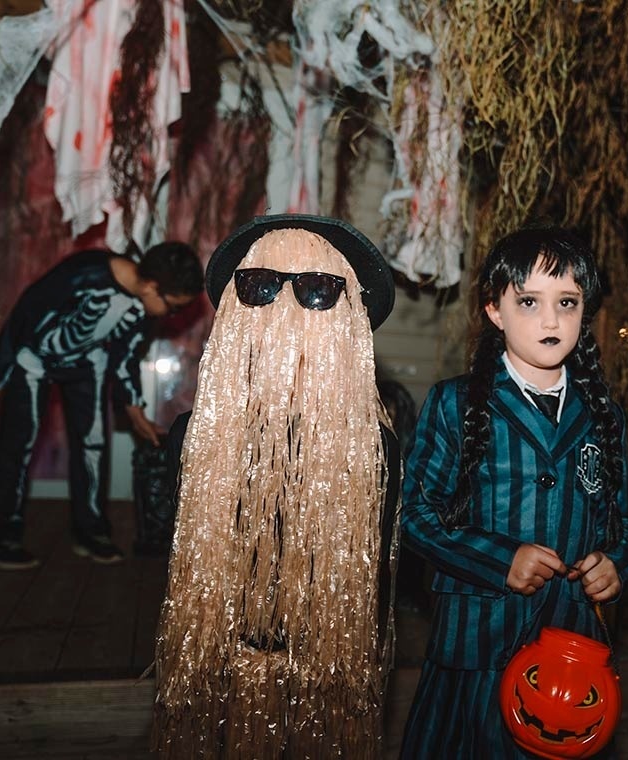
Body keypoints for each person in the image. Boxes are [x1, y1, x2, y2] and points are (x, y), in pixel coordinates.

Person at [153, 215, 400, 759]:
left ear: (348, 318)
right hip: (224, 677)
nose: (286, 306)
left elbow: (371, 594)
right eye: (259, 285)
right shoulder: (193, 439)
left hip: (323, 684)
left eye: (318, 289)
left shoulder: (374, 450)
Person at [398, 226, 628, 758]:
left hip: (570, 652)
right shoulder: (455, 403)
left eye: (567, 302)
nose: (551, 320)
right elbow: (412, 513)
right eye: (529, 301)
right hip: (477, 648)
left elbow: (626, 526)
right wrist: (499, 559)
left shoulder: (604, 417)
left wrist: (615, 566)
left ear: (584, 311)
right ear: (495, 309)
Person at [0, 241, 204, 570]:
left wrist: (135, 410)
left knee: (93, 445)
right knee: (17, 445)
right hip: (34, 358)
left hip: (87, 362)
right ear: (152, 287)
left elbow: (125, 357)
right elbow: (28, 310)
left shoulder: (141, 306)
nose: (170, 315)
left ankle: (91, 532)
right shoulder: (83, 272)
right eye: (172, 307)